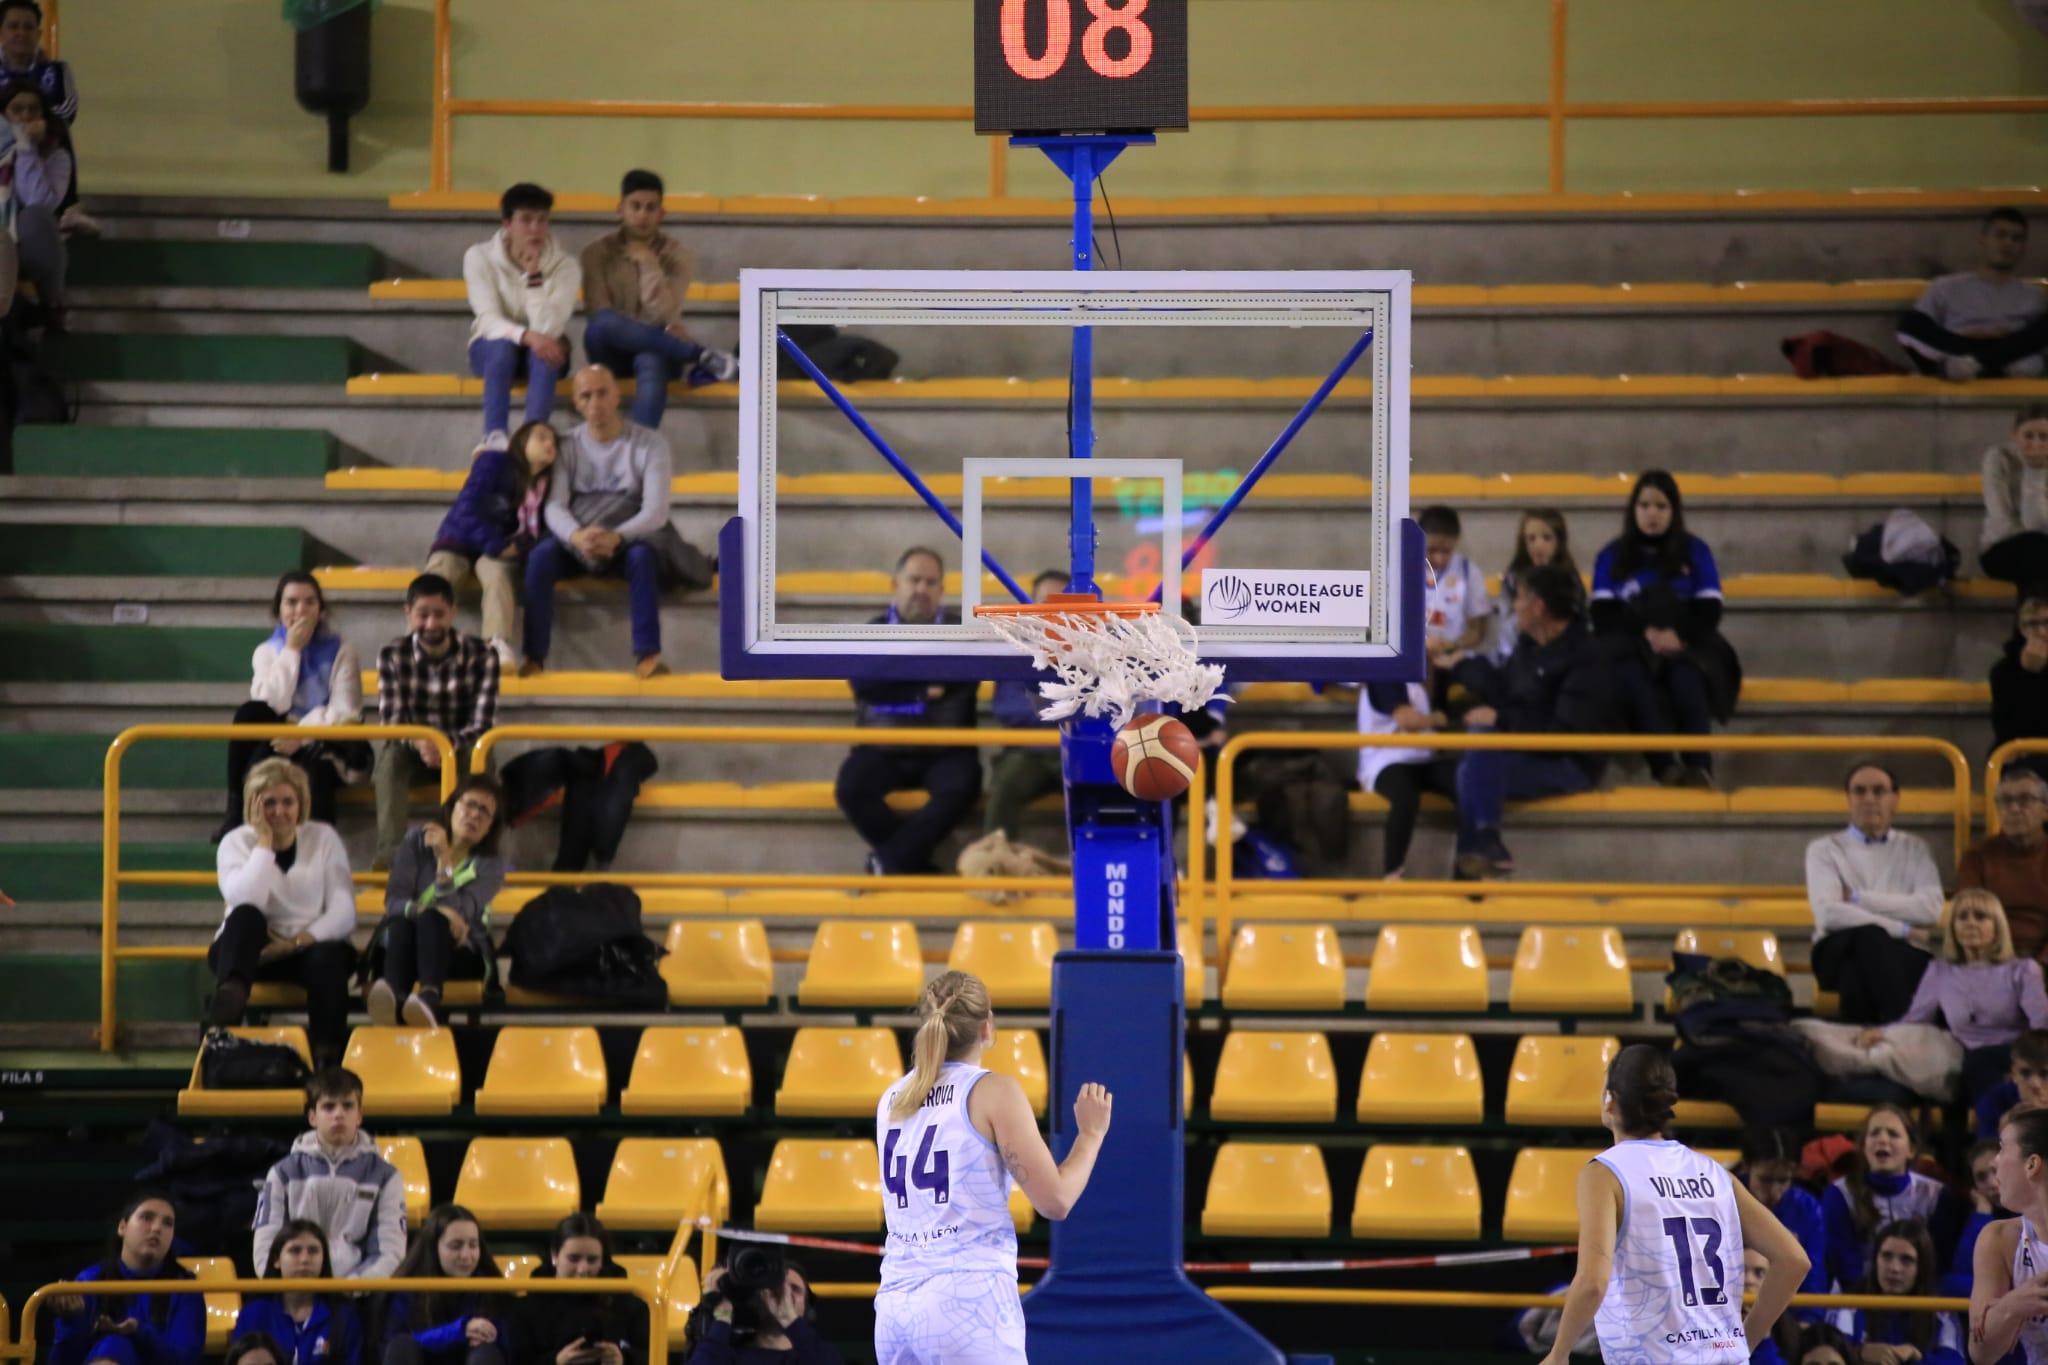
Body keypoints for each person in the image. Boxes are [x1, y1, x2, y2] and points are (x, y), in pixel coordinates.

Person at [873, 970, 1115, 1365]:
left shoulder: (893, 1097)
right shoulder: (993, 1091)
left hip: (896, 1304)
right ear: (987, 1028)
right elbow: (1056, 1201)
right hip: (966, 1299)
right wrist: (1090, 1134)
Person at [1533, 1044, 1810, 1365]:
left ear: (1609, 1099)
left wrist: (1559, 1354)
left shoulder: (1605, 1174)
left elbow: (1593, 1282)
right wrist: (1744, 1342)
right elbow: (1794, 1260)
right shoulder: (1714, 1172)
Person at [1451, 564, 1614, 881]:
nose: (1514, 607)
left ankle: (1475, 863)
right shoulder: (1528, 648)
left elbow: (1562, 735)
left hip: (1569, 761)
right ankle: (1482, 852)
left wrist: (1501, 718)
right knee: (1471, 762)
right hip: (1526, 748)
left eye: (1520, 599)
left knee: (1476, 762)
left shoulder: (1586, 657)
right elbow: (1503, 689)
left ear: (1538, 607)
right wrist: (1462, 667)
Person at [523, 367, 677, 681]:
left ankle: (647, 656)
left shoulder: (651, 444)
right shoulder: (566, 445)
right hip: (579, 538)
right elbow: (554, 506)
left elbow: (656, 511)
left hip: (626, 537)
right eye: (586, 395)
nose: (596, 402)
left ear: (618, 394)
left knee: (642, 558)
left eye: (603, 392)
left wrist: (617, 537)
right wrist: (577, 536)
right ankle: (534, 657)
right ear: (577, 404)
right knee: (540, 557)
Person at [836, 549, 983, 876]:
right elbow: (864, 687)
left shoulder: (964, 632)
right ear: (895, 584)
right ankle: (907, 864)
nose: (922, 589)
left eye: (931, 582)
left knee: (964, 785)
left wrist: (893, 682)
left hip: (946, 751)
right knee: (851, 788)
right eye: (914, 580)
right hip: (882, 747)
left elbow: (962, 686)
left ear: (942, 591)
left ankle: (887, 861)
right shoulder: (872, 631)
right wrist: (921, 691)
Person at [1591, 470, 1738, 789]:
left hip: (1688, 641)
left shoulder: (1695, 550)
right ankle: (1665, 767)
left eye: (1661, 506)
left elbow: (1709, 608)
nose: (1652, 513)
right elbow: (1602, 613)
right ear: (1633, 510)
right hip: (1631, 643)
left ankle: (1699, 767)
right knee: (1628, 674)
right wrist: (1646, 634)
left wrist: (1679, 636)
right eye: (1644, 505)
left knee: (1686, 674)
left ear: (1674, 511)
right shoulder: (1612, 554)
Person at [209, 758, 358, 1066]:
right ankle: (231, 1000)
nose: (279, 811)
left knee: (329, 957)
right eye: (269, 803)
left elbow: (344, 910)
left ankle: (327, 1057)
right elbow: (245, 897)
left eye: (288, 802)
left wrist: (298, 941)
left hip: (305, 948)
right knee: (245, 915)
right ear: (253, 805)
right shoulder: (235, 842)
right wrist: (264, 844)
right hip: (252, 951)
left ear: (301, 802)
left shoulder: (323, 838)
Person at [580, 168, 736, 431]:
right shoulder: (596, 252)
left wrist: (649, 264)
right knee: (601, 324)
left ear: (661, 214)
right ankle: (700, 354)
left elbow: (664, 314)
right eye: (636, 206)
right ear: (620, 209)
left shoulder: (678, 256)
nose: (642, 215)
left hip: (660, 350)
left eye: (651, 208)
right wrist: (645, 331)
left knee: (651, 359)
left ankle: (638, 453)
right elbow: (598, 311)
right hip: (611, 352)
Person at [217, 571, 366, 842]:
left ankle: (317, 859)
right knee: (250, 718)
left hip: (323, 742)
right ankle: (237, 814)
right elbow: (271, 703)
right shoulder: (267, 651)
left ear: (320, 609)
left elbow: (345, 711)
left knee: (315, 774)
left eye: (310, 602)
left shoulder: (343, 650)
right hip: (278, 739)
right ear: (279, 609)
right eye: (292, 602)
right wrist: (293, 649)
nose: (301, 610)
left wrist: (301, 735)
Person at [373, 573, 500, 871]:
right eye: (423, 615)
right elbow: (392, 719)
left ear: (453, 612)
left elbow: (483, 722)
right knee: (390, 759)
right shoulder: (392, 655)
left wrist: (444, 746)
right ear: (408, 613)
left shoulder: (483, 655)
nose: (431, 624)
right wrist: (420, 743)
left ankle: (473, 854)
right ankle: (390, 857)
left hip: (462, 747)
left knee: (483, 754)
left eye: (439, 615)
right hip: (415, 752)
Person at [1875, 890, 2048, 1108]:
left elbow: (2041, 1026)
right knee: (1946, 1075)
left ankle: (1998, 1134)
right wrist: (1882, 1033)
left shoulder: (2023, 970)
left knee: (1978, 1064)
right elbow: (1916, 1019)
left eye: (1980, 916)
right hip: (1960, 1054)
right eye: (1962, 917)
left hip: (2011, 1053)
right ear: (1953, 927)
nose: (1970, 923)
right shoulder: (1939, 970)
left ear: (1997, 925)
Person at [1807, 763, 1947, 1025]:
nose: (1869, 799)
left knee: (1857, 967)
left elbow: (1930, 909)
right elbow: (1829, 914)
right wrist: (1903, 929)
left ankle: (1863, 1051)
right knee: (1869, 939)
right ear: (1848, 799)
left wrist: (1859, 898)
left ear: (1895, 800)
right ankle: (1904, 1031)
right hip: (1835, 949)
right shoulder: (1823, 849)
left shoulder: (1915, 848)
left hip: (1900, 954)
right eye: (1859, 791)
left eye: (1879, 791)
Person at [369, 775, 505, 1030]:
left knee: (432, 921)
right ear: (452, 807)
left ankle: (428, 999)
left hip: (460, 951)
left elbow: (459, 913)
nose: (474, 815)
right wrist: (424, 911)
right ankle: (396, 1001)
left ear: (491, 826)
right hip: (405, 942)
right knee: (403, 924)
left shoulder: (491, 866)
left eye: (484, 812)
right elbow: (394, 901)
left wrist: (444, 858)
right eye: (469, 805)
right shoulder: (416, 841)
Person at [424, 422, 559, 671]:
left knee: (498, 575)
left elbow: (536, 531)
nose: (550, 444)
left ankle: (496, 642)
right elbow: (467, 507)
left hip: (501, 547)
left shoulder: (546, 486)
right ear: (521, 442)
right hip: (459, 538)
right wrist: (495, 544)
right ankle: (420, 643)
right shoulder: (494, 462)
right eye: (541, 438)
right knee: (439, 576)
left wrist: (515, 548)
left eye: (553, 441)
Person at [252, 1067, 406, 1282]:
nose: (339, 1114)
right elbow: (265, 1245)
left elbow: (390, 1252)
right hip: (292, 1292)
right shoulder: (281, 1173)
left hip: (356, 1298)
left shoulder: (386, 1176)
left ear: (359, 1116)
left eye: (348, 1106)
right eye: (329, 1106)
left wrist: (348, 1289)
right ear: (313, 1117)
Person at [464, 183, 578, 448]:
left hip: (544, 351)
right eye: (526, 220)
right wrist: (526, 336)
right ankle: (495, 436)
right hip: (493, 350)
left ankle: (533, 438)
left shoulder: (566, 266)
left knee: (547, 350)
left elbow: (550, 327)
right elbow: (487, 318)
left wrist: (534, 278)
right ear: (507, 223)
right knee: (502, 348)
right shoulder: (479, 257)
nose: (535, 229)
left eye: (542, 220)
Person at [47, 1193, 203, 1365]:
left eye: (168, 1223)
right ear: (122, 1227)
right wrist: (72, 1321)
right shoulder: (90, 1280)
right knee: (113, 1345)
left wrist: (138, 1332)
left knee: (115, 1344)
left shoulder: (186, 1289)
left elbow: (186, 1360)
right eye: (147, 1217)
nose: (157, 1228)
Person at [1822, 1106, 1964, 1292]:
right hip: (1858, 1297)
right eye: (1874, 1133)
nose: (1882, 1139)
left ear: (1911, 1149)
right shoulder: (1839, 1193)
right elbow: (1844, 1264)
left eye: (1893, 1134)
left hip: (1922, 1295)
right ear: (1864, 1146)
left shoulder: (1936, 1194)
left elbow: (1940, 1261)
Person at [1898, 209, 2048, 382]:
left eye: (2017, 238)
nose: (2008, 243)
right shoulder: (1945, 286)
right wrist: (1965, 339)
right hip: (1960, 350)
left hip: (2014, 358)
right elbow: (1914, 329)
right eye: (2001, 235)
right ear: (1983, 240)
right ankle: (1980, 361)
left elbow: (2036, 339)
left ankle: (1980, 363)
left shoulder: (2035, 295)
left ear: (2023, 248)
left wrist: (2007, 338)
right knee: (1910, 321)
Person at [983, 570, 1070, 844]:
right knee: (1004, 786)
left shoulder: (1092, 651)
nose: (1051, 612)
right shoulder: (1015, 649)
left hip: (1075, 748)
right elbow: (1007, 708)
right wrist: (1062, 710)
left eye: (1061, 604)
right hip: (1027, 751)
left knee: (1104, 787)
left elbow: (1098, 707)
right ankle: (995, 874)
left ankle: (1104, 867)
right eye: (1045, 603)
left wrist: (1041, 708)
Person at [1824, 1217, 1965, 1365]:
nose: (1894, 1268)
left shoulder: (1941, 1312)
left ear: (1921, 1268)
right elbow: (1828, 1352)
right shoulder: (1847, 1303)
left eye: (1907, 1260)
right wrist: (1859, 1352)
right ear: (1875, 1260)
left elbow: (1954, 1360)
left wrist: (1915, 1358)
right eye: (1886, 1256)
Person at [1356, 678, 1457, 880]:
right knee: (1406, 796)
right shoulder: (1385, 675)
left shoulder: (1421, 681)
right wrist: (1437, 719)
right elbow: (1407, 720)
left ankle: (1469, 873)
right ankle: (1392, 873)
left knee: (1466, 783)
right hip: (1385, 760)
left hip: (1423, 759)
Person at [1971, 1105, 2048, 1364]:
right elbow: (1980, 1353)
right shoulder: (1998, 1238)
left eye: (2003, 1148)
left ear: (2031, 1164)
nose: (1994, 1161)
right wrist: (2012, 1306)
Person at [515, 1215, 647, 1365]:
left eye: (592, 1260)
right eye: (573, 1258)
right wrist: (555, 1362)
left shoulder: (630, 1306)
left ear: (602, 1260)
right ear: (554, 1256)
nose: (583, 1269)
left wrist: (623, 1359)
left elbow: (652, 1357)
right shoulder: (526, 1310)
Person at [382, 1205, 506, 1365]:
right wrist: (460, 1331)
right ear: (434, 1248)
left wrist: (492, 1336)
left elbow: (511, 1347)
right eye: (456, 1246)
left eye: (473, 1245)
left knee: (486, 1352)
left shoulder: (492, 1289)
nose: (466, 1255)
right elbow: (394, 1345)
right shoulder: (405, 1289)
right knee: (402, 1345)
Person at [236, 1219, 364, 1365]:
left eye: (313, 1251)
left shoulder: (344, 1316)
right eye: (295, 1251)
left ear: (324, 1260)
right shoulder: (253, 1314)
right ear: (276, 1260)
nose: (304, 1260)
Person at [1962, 769, 2048, 961]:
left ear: (2045, 810)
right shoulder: (1977, 857)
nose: (2014, 809)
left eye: (2025, 800)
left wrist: (2041, 966)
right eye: (2005, 801)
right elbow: (1970, 917)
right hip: (1992, 957)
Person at [685, 1256, 837, 1365]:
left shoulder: (814, 1354)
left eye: (795, 1289)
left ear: (806, 1306)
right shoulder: (728, 1355)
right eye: (775, 1288)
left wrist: (789, 1320)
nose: (784, 1295)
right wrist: (723, 1314)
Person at [1743, 1129, 1833, 1312]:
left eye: (1783, 1180)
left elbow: (1813, 1274)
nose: (1774, 1191)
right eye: (1766, 1180)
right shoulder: (1723, 1199)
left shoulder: (1808, 1209)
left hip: (1789, 1311)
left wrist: (1808, 1320)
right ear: (1747, 1167)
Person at [3, 79, 69, 323]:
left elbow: (38, 202)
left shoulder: (56, 156)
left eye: (33, 109)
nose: (26, 116)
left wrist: (25, 147)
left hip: (32, 251)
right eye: (17, 109)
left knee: (36, 217)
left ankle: (50, 305)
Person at [1418, 504, 1492, 696]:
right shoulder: (1401, 569)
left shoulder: (1468, 572)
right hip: (1414, 653)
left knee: (1481, 675)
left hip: (1454, 654)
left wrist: (1452, 646)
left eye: (1447, 551)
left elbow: (1478, 629)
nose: (1440, 559)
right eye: (1432, 550)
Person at [1494, 508, 1583, 664]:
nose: (1539, 545)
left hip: (1562, 655)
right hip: (1519, 655)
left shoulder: (1569, 579)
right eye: (1531, 539)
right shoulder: (1512, 579)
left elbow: (1577, 622)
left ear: (1559, 542)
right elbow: (1506, 622)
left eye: (1547, 538)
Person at [1978, 407, 2048, 590]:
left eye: (2043, 437)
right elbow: (2001, 520)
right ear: (2015, 436)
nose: (2036, 443)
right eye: (2029, 436)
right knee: (2035, 548)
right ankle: (2035, 617)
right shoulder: (1999, 458)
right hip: (2001, 546)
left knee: (2038, 551)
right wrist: (2034, 470)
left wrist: (2037, 470)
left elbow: (2039, 524)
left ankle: (2035, 617)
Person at [1992, 596, 2048, 766]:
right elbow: (2007, 729)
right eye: (2032, 624)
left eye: (2047, 623)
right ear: (2022, 629)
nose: (2041, 632)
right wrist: (2030, 675)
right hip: (2024, 756)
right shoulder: (2003, 671)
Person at [1945, 1140, 2004, 1297]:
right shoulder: (1972, 1217)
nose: (1992, 1183)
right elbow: (1957, 1279)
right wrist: (1982, 1216)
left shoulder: (2037, 1213)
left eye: (1996, 1171)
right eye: (1981, 1177)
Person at [0, 2, 73, 125]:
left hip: (46, 143)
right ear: (1, 33)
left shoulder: (58, 72)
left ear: (38, 34)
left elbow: (67, 113)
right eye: (13, 26)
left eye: (28, 27)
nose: (21, 33)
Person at [1976, 1030, 2048, 1139]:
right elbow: (1987, 1149)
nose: (2035, 1083)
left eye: (2044, 1074)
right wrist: (2006, 1131)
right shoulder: (1996, 1101)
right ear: (2014, 1073)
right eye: (2025, 1073)